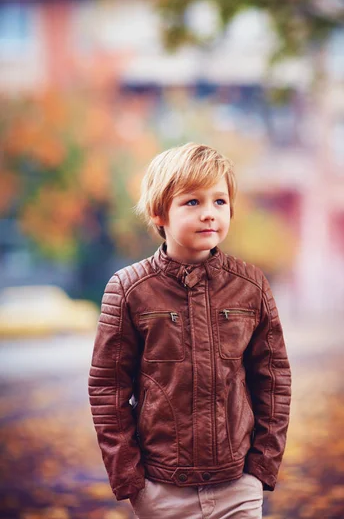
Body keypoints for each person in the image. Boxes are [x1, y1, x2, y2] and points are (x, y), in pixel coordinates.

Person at [88, 142, 291, 518]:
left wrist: (261, 468)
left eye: (219, 201)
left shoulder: (251, 286)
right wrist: (131, 480)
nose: (209, 214)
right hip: (162, 491)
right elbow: (107, 388)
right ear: (158, 213)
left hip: (238, 487)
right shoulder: (129, 289)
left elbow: (273, 380)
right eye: (192, 202)